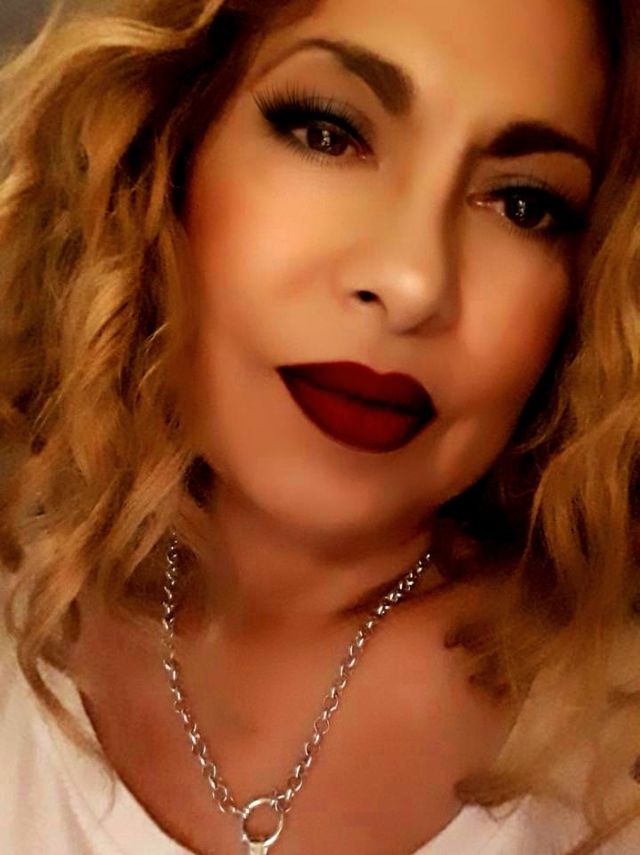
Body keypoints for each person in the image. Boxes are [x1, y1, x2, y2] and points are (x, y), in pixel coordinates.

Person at [0, 0, 639, 852]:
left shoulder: (613, 765)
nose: (413, 282)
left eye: (523, 204)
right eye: (328, 133)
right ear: (164, 147)